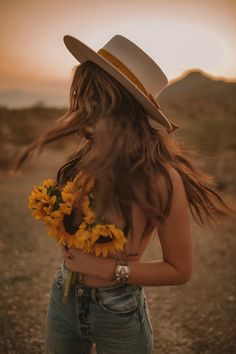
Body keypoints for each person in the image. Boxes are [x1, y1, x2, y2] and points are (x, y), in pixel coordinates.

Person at [10, 34, 232, 354]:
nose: (79, 107)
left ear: (117, 105)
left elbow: (180, 269)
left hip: (118, 310)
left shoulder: (161, 179)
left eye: (89, 97)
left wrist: (109, 269)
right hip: (63, 296)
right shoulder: (83, 159)